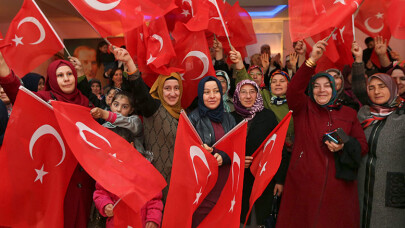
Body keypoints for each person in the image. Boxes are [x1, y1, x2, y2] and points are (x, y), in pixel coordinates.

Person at [276, 40, 368, 228]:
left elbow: (362, 145)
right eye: (316, 86)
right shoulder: (304, 108)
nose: (321, 90)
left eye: (327, 85)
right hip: (304, 184)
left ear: (334, 88)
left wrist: (344, 146)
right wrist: (311, 61)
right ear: (311, 89)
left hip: (339, 187)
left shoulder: (348, 113)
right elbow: (293, 90)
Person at [0, 53, 95, 228]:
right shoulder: (45, 100)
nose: (66, 79)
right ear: (52, 77)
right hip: (54, 180)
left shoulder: (86, 103)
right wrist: (3, 68)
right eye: (60, 75)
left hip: (83, 183)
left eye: (69, 74)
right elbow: (18, 95)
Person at [109, 46, 183, 200]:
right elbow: (141, 92)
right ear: (160, 90)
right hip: (155, 185)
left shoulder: (184, 115)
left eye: (177, 88)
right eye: (167, 88)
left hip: (178, 184)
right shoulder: (154, 109)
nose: (173, 93)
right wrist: (129, 62)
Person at [350, 41, 405, 228]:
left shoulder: (402, 115)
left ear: (393, 88)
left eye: (382, 86)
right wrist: (358, 61)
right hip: (362, 184)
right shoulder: (365, 112)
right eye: (371, 87)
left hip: (394, 188)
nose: (376, 91)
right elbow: (358, 89)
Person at [230, 79, 289, 227]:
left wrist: (280, 180)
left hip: (263, 180)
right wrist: (237, 160)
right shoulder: (230, 118)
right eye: (243, 92)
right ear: (237, 95)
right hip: (236, 182)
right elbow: (224, 149)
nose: (248, 96)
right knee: (239, 220)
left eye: (252, 92)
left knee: (258, 220)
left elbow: (278, 148)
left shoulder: (267, 116)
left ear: (258, 94)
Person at [188, 76, 236, 228]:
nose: (212, 96)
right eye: (207, 92)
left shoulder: (229, 118)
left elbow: (236, 147)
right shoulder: (193, 119)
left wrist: (224, 156)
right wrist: (207, 153)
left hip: (225, 181)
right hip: (204, 184)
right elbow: (188, 151)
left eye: (216, 91)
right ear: (200, 95)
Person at [93, 127, 163, 228]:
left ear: (131, 145)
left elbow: (155, 199)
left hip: (140, 222)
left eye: (121, 148)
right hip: (117, 222)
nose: (117, 153)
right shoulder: (107, 168)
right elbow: (100, 193)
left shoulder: (145, 168)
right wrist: (105, 205)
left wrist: (153, 219)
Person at [90, 91, 147, 160]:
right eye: (116, 105)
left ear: (131, 110)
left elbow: (126, 122)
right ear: (110, 105)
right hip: (113, 162)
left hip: (135, 162)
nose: (119, 109)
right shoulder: (105, 126)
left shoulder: (135, 121)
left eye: (124, 107)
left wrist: (105, 114)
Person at [268, 70, 294, 150]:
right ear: (270, 85)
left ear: (288, 84)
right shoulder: (265, 98)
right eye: (274, 81)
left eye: (282, 81)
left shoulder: (295, 100)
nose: (278, 84)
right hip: (273, 147)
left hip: (294, 146)